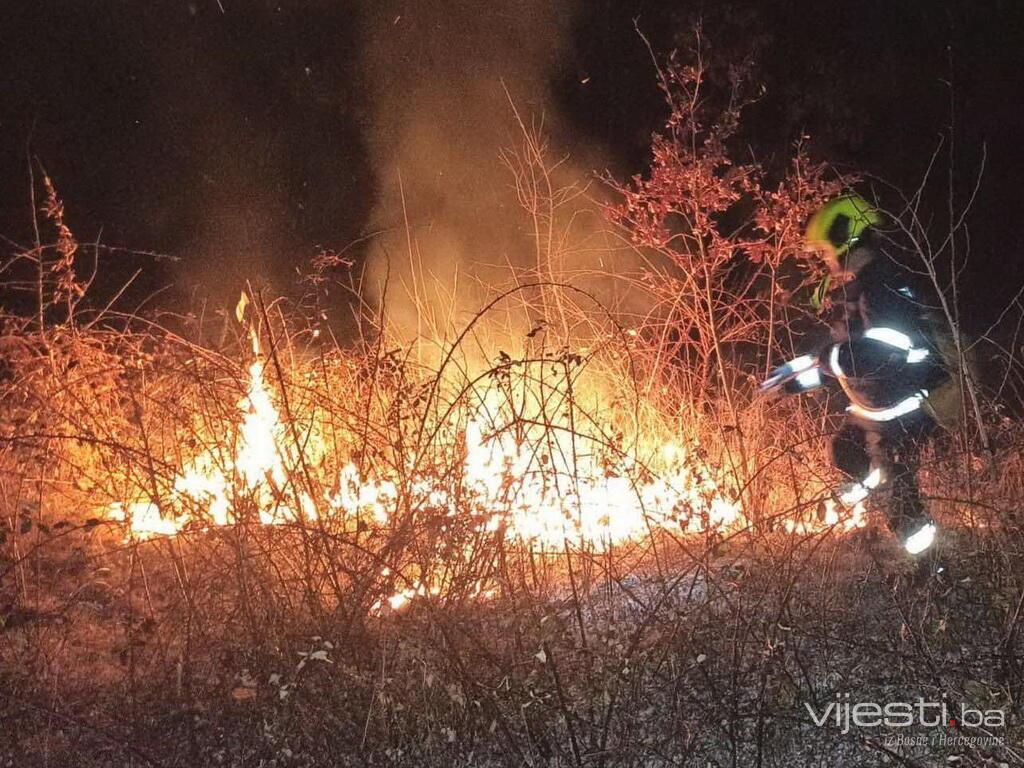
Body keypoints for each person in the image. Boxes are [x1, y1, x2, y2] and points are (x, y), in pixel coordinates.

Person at [761, 194, 962, 554]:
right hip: (874, 410)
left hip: (904, 413)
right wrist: (793, 380)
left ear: (844, 238)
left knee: (900, 500)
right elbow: (844, 359)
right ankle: (863, 524)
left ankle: (935, 575)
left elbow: (873, 355)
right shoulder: (860, 286)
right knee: (846, 453)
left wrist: (821, 362)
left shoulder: (881, 286)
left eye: (824, 250)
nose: (824, 258)